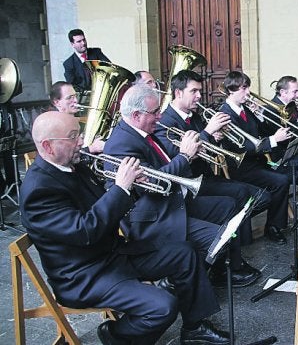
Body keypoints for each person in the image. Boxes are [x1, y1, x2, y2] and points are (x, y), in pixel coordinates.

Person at [20, 111, 229, 345]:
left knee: (184, 253)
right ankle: (115, 335)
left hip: (111, 255)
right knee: (162, 306)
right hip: (83, 276)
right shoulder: (39, 190)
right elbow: (85, 231)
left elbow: (101, 203)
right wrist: (121, 188)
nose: (81, 142)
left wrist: (131, 186)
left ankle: (194, 327)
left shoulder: (73, 165)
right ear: (48, 146)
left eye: (78, 135)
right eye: (73, 137)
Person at [103, 84, 260, 287]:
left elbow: (167, 163)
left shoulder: (142, 132)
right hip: (153, 216)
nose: (159, 116)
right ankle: (182, 279)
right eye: (155, 112)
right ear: (136, 115)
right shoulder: (121, 144)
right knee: (217, 236)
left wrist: (191, 146)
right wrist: (185, 155)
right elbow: (155, 181)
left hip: (170, 201)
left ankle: (223, 269)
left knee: (227, 205)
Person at [155, 69, 272, 245]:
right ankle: (238, 247)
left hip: (206, 177)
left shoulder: (194, 116)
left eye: (199, 92)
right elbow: (174, 156)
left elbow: (208, 147)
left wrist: (216, 138)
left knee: (261, 197)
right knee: (240, 195)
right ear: (178, 93)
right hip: (190, 183)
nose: (199, 96)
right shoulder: (164, 122)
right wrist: (208, 131)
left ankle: (239, 242)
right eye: (193, 91)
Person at [219, 71, 291, 244]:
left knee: (285, 177)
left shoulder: (245, 110)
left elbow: (263, 132)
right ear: (231, 90)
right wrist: (274, 140)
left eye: (247, 87)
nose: (248, 92)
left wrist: (259, 114)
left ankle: (273, 225)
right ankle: (272, 227)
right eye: (244, 88)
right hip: (241, 168)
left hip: (257, 164)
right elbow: (242, 146)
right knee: (280, 181)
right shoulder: (225, 114)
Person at [265, 75, 298, 188]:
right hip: (281, 155)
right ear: (283, 92)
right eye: (295, 91)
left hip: (295, 149)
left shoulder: (292, 105)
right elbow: (283, 138)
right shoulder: (271, 109)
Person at [49, 81, 105, 154]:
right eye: (69, 98)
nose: (76, 100)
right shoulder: (55, 129)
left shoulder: (81, 125)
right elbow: (63, 157)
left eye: (75, 96)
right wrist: (91, 149)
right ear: (57, 102)